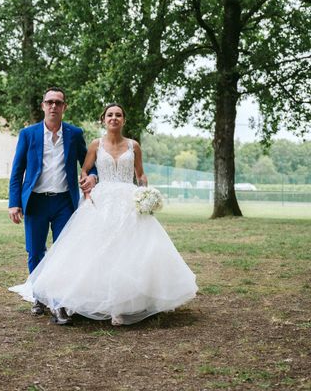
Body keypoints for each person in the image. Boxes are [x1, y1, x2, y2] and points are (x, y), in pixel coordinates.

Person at [10, 103, 197, 326]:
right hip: (102, 201)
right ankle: (62, 298)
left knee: (130, 251)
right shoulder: (95, 144)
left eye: (119, 115)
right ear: (103, 119)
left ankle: (128, 304)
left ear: (124, 120)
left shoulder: (134, 145)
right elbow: (86, 169)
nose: (114, 118)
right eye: (110, 115)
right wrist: (89, 179)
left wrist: (146, 194)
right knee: (93, 250)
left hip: (130, 202)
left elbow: (140, 174)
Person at [8, 86, 97, 321]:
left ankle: (60, 302)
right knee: (35, 251)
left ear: (64, 107)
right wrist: (14, 202)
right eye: (50, 102)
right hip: (35, 202)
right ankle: (38, 296)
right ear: (43, 106)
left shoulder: (75, 134)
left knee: (63, 252)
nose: (54, 106)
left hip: (64, 203)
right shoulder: (28, 134)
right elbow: (17, 171)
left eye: (58, 102)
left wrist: (92, 176)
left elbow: (88, 164)